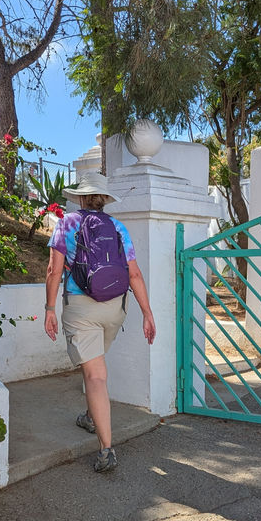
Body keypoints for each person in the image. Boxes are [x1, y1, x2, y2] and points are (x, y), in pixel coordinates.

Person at [44, 171, 155, 473]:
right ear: (104, 199)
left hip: (82, 309)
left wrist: (49, 308)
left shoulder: (67, 223)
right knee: (95, 367)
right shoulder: (118, 228)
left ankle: (107, 450)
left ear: (80, 197)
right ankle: (92, 416)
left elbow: (54, 271)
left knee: (95, 376)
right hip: (115, 309)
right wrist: (147, 313)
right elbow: (134, 275)